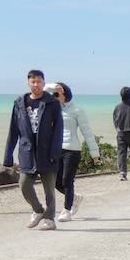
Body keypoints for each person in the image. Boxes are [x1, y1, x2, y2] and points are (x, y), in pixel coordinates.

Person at [2, 69, 63, 231]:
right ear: (28, 83)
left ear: (44, 83)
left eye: (39, 81)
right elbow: (13, 130)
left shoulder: (52, 103)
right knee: (24, 184)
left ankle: (49, 219)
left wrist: (55, 152)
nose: (36, 84)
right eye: (33, 81)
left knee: (49, 189)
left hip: (47, 151)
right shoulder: (19, 104)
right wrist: (8, 155)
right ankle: (38, 210)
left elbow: (58, 129)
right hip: (27, 152)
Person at [49, 82, 99, 221]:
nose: (54, 96)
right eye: (53, 93)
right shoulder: (52, 109)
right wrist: (54, 86)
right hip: (56, 149)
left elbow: (87, 132)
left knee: (67, 180)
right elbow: (43, 89)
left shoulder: (77, 110)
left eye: (57, 93)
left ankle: (66, 211)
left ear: (65, 93)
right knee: (55, 182)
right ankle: (74, 198)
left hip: (72, 149)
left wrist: (95, 154)